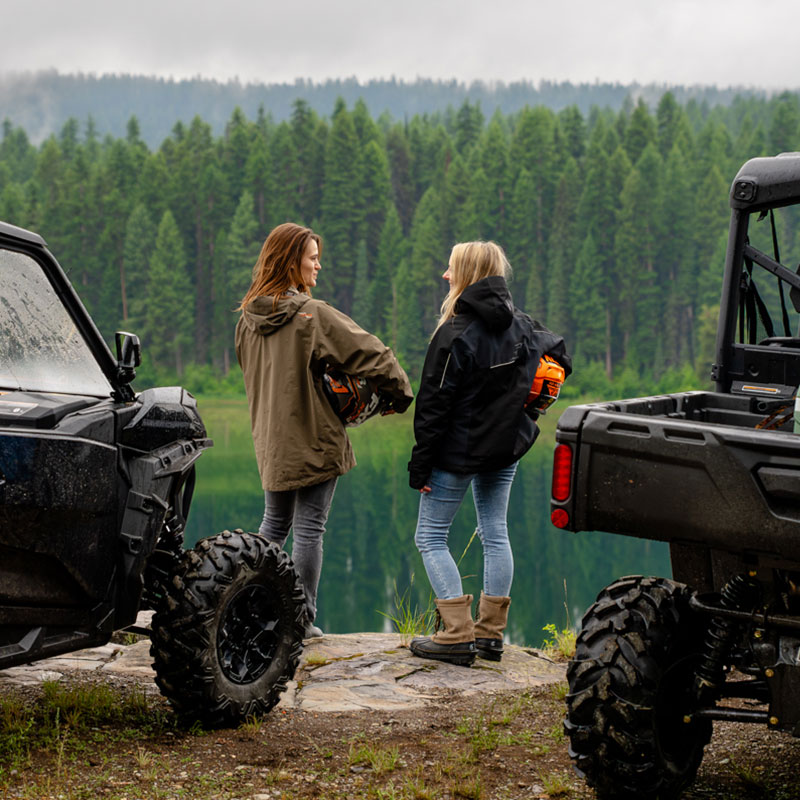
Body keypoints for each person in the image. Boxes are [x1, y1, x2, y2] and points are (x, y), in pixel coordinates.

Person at [235, 222, 413, 638]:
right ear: (291, 263)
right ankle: (300, 620)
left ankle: (249, 610)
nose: (319, 266)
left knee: (273, 526)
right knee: (310, 528)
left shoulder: (245, 321)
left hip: (271, 442)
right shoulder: (311, 316)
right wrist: (397, 396)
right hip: (314, 440)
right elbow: (376, 355)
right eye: (313, 258)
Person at [408, 241, 571, 666]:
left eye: (450, 268)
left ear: (466, 274)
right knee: (495, 532)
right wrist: (532, 407)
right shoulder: (522, 325)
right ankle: (491, 636)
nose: (445, 275)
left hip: (457, 453)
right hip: (505, 447)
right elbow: (560, 358)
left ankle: (457, 635)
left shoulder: (455, 332)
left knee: (429, 537)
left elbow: (432, 408)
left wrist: (420, 464)